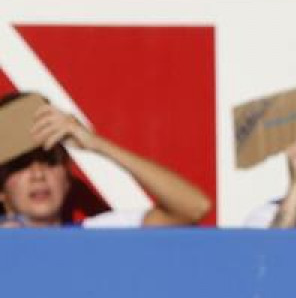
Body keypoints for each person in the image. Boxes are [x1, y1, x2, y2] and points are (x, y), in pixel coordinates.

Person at [0, 92, 211, 228]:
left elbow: (194, 207)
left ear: (66, 178)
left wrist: (96, 144)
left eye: (50, 161)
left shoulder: (99, 235)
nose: (38, 175)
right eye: (20, 166)